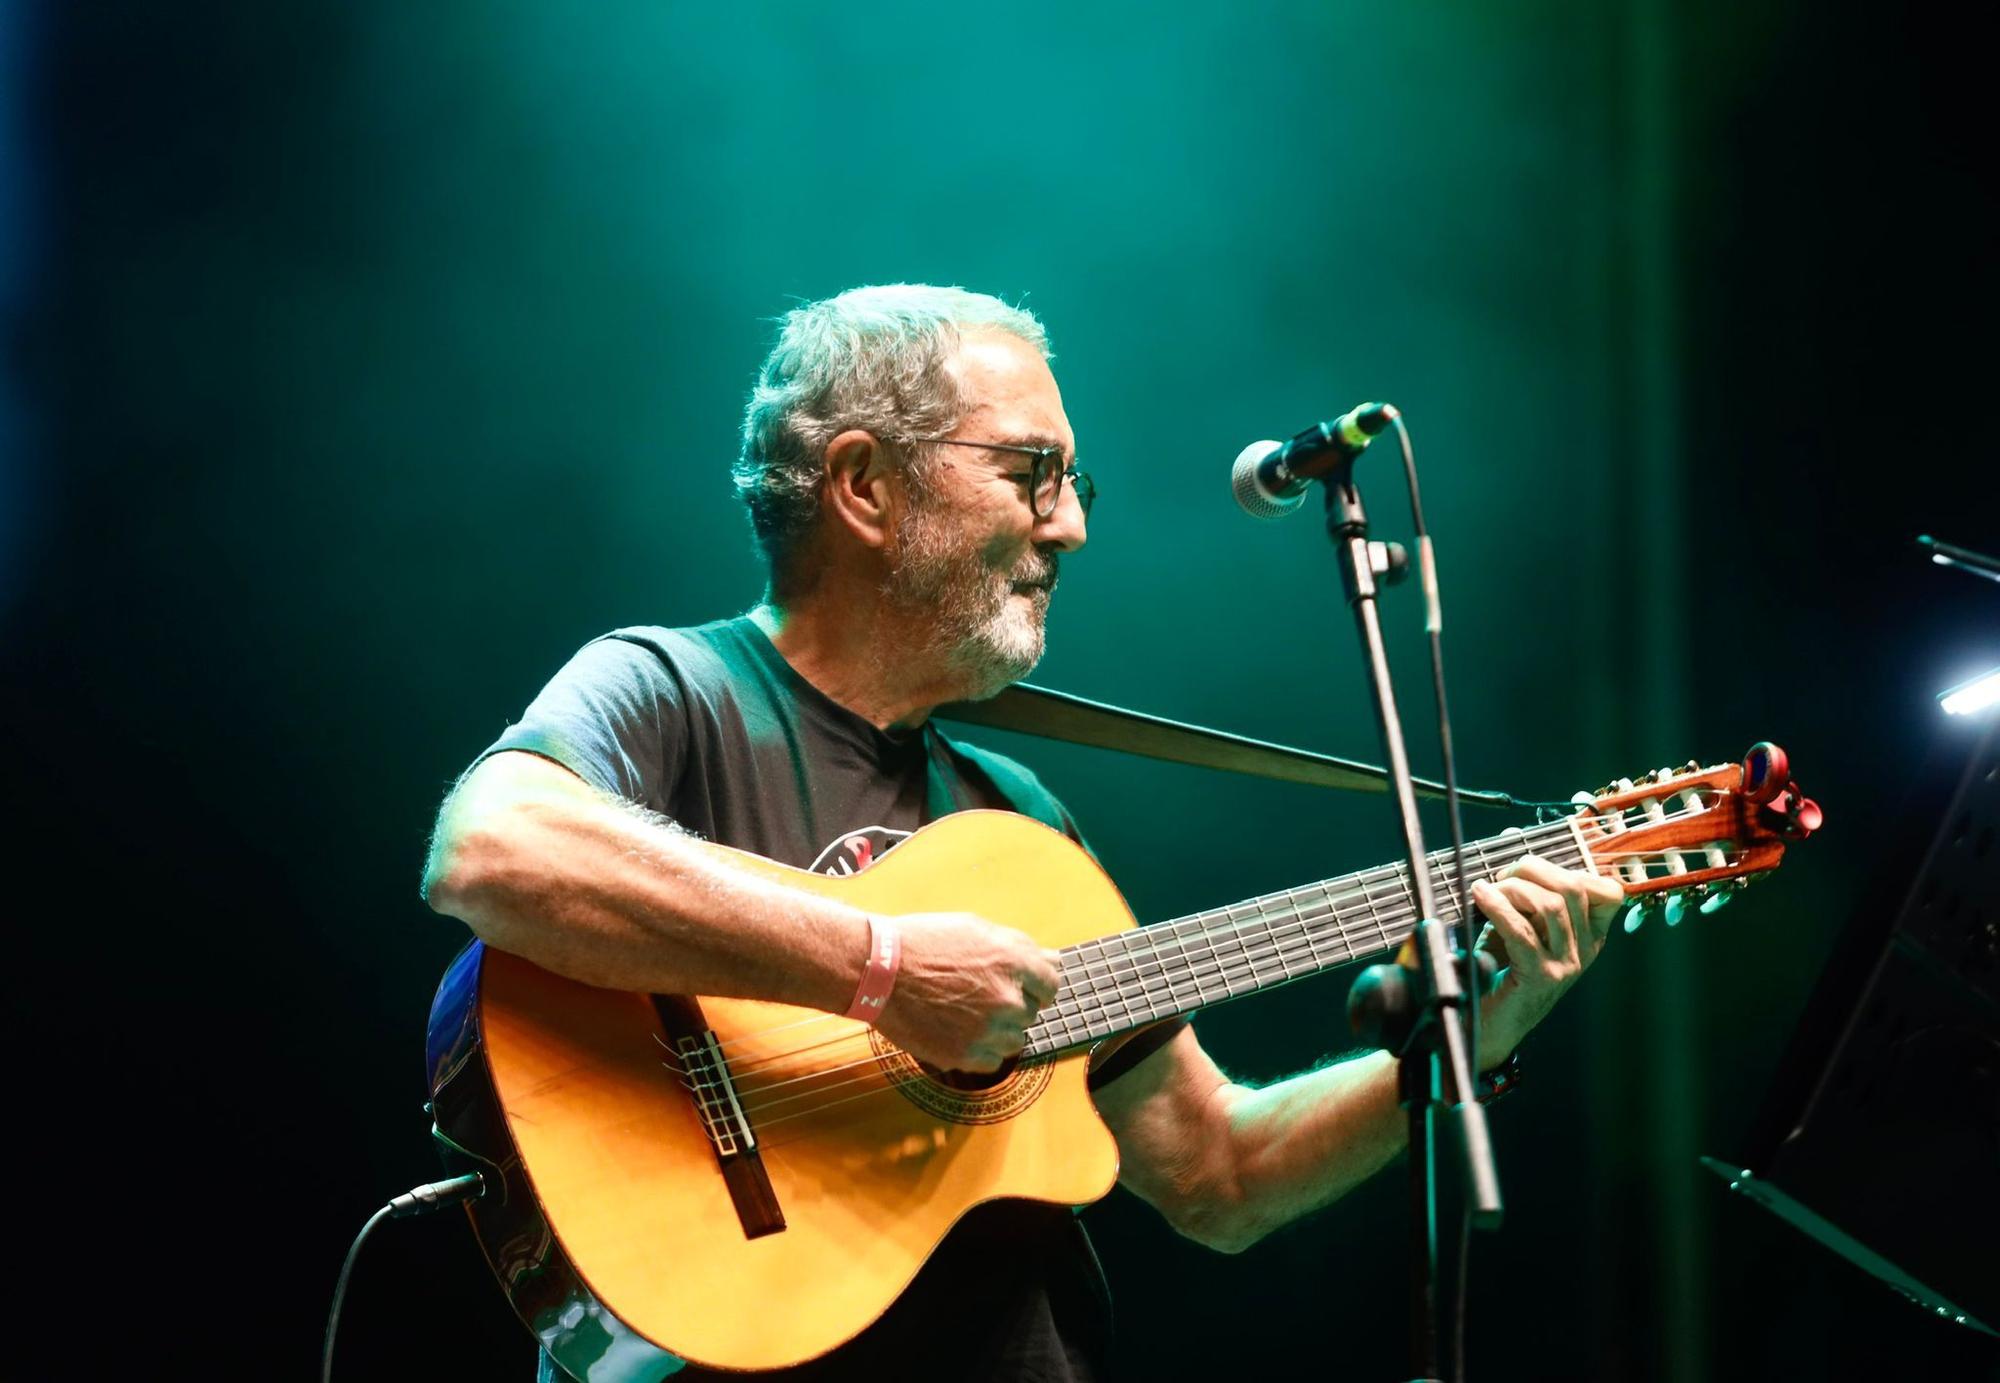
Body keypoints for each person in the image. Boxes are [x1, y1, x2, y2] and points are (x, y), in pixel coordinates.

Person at [422, 284, 1624, 1382]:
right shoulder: (670, 690)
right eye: (1030, 472)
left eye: (1072, 485)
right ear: (862, 485)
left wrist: (1479, 1034)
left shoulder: (1019, 821)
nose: (1070, 529)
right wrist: (882, 970)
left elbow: (1222, 1175)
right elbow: (492, 854)